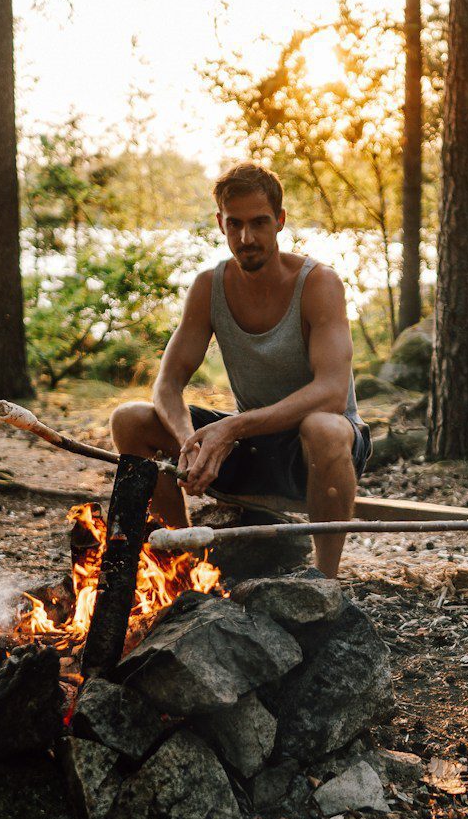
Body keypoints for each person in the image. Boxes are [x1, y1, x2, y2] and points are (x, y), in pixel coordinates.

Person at [111, 162, 371, 578]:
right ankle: (183, 568)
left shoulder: (318, 283)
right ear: (220, 223)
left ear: (280, 221)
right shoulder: (208, 287)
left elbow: (331, 393)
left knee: (323, 426)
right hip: (252, 443)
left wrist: (231, 429)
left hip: (316, 452)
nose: (246, 238)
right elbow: (168, 384)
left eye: (259, 223)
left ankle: (325, 583)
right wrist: (188, 444)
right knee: (130, 419)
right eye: (235, 224)